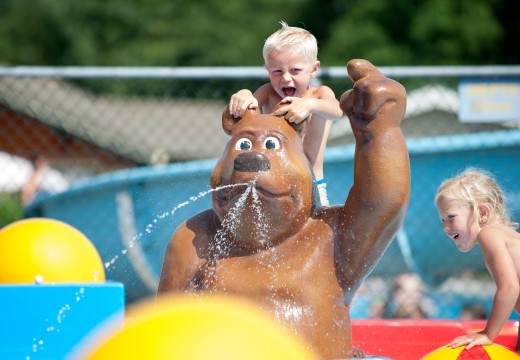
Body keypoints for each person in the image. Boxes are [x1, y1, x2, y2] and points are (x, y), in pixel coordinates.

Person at [228, 21, 343, 207]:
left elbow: (337, 111)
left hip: (311, 184)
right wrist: (244, 94)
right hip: (273, 183)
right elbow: (248, 110)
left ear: (314, 69)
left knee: (318, 232)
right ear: (267, 69)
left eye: (295, 70)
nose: (286, 78)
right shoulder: (268, 93)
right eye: (277, 71)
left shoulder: (320, 95)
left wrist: (310, 105)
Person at [434, 167, 520, 350]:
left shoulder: (489, 235)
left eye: (451, 217)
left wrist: (488, 334)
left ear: (482, 213)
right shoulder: (505, 236)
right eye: (442, 220)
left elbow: (510, 289)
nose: (445, 227)